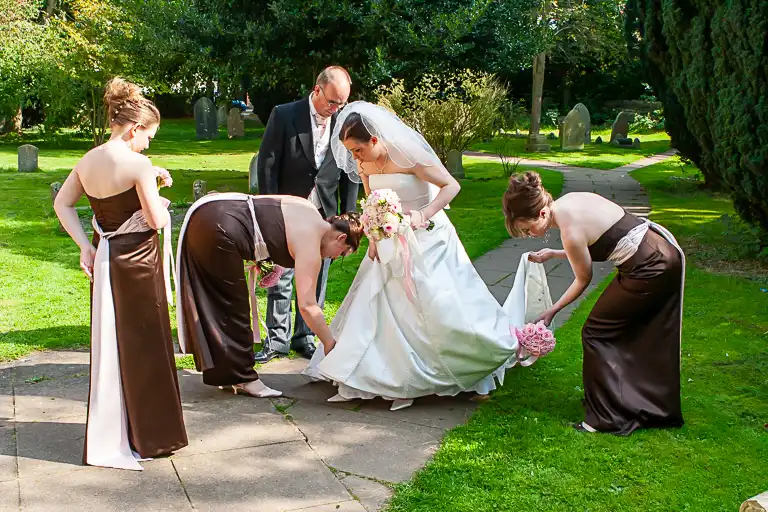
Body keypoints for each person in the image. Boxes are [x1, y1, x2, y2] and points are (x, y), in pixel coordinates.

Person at [303, 101, 547, 411]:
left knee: (441, 307)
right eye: (350, 152)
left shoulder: (410, 155)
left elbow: (450, 185)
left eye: (358, 150)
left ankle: (473, 363)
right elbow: (371, 199)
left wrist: (423, 214)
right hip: (389, 242)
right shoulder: (365, 165)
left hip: (428, 239)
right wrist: (374, 233)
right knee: (383, 309)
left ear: (375, 140)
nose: (355, 159)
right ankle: (386, 373)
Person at [54, 77, 187, 470]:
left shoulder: (89, 159)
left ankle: (119, 427)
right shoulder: (138, 163)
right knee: (145, 346)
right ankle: (151, 434)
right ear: (134, 129)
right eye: (149, 136)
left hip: (108, 258)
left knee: (112, 345)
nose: (149, 145)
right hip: (139, 264)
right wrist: (159, 188)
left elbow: (63, 205)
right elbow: (156, 219)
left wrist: (86, 245)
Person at [502, 171, 685, 435]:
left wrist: (552, 310)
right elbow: (598, 241)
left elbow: (583, 278)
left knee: (596, 332)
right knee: (622, 331)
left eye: (528, 228)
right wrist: (553, 254)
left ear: (542, 214)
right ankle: (620, 401)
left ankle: (603, 419)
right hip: (657, 252)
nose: (530, 234)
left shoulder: (570, 230)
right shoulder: (568, 202)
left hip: (650, 266)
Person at [175, 192, 363, 397]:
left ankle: (227, 374)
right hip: (220, 228)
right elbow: (307, 305)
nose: (334, 257)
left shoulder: (308, 209)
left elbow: (267, 219)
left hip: (210, 212)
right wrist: (329, 343)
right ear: (341, 237)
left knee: (219, 303)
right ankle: (244, 378)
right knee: (234, 308)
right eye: (342, 253)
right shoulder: (311, 244)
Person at [255, 65, 360, 363]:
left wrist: (347, 215)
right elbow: (268, 164)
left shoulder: (342, 121)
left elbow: (348, 173)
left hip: (326, 210)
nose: (336, 108)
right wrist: (268, 208)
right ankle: (276, 339)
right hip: (287, 209)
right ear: (317, 90)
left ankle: (305, 336)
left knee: (317, 275)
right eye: (332, 101)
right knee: (282, 272)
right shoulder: (285, 114)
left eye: (342, 103)